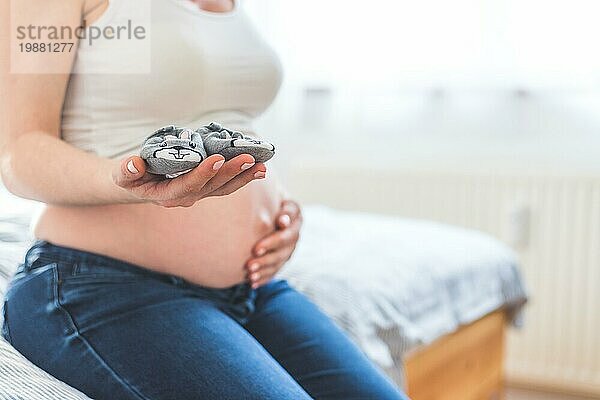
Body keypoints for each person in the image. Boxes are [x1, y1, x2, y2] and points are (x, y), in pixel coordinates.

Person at [0, 1, 408, 399]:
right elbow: (18, 152)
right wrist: (126, 179)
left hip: (253, 289)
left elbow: (221, 117)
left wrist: (277, 210)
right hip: (103, 287)